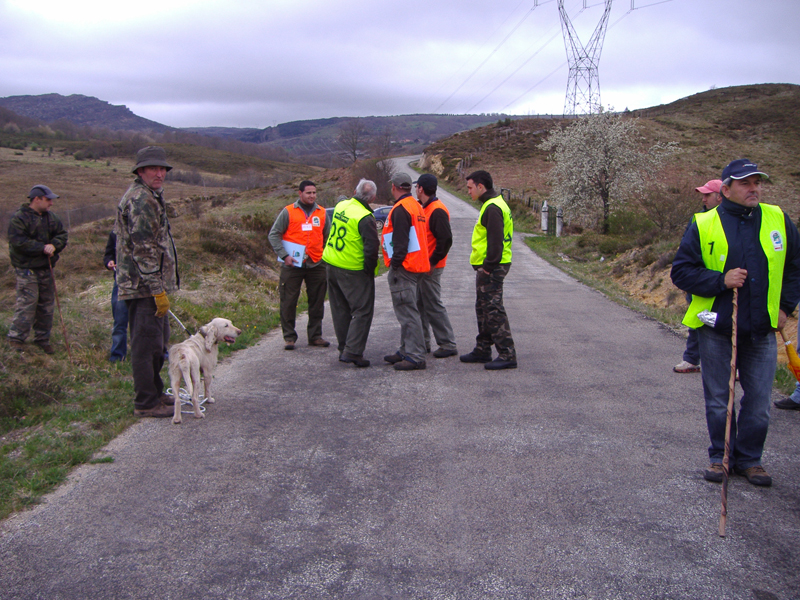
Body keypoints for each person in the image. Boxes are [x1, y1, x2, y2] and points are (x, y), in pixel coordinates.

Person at [671, 159, 800, 487]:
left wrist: (785, 307)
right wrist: (721, 280)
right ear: (726, 189)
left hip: (761, 330)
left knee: (758, 402)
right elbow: (681, 272)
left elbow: (795, 267)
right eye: (746, 183)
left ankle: (750, 460)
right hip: (716, 328)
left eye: (757, 182)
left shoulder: (778, 219)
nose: (754, 188)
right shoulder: (703, 224)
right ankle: (721, 457)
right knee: (719, 398)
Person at [115, 146, 179, 418]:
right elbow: (143, 249)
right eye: (153, 168)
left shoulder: (151, 195)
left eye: (162, 168)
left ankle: (156, 393)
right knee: (145, 344)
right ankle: (145, 402)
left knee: (157, 341)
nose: (159, 173)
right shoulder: (141, 199)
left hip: (150, 284)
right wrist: (156, 289)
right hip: (143, 286)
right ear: (140, 171)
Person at [460, 170, 517, 370]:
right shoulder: (494, 204)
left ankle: (507, 354)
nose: (468, 192)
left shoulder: (492, 207)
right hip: (491, 265)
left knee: (493, 309)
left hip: (493, 266)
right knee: (483, 308)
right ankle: (483, 349)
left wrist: (487, 268)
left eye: (470, 188)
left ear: (481, 187)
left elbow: (495, 242)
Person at [322, 179, 380, 368]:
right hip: (352, 268)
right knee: (362, 310)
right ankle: (353, 351)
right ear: (373, 198)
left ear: (355, 191)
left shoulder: (341, 206)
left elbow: (341, 202)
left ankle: (343, 348)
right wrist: (370, 272)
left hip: (331, 262)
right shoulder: (365, 217)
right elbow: (371, 250)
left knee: (340, 310)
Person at [268, 180, 331, 350]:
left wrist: (324, 256)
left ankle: (315, 336)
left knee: (317, 302)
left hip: (317, 264)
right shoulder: (288, 211)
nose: (312, 196)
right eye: (308, 193)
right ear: (300, 193)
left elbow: (328, 237)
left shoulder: (322, 213)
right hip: (292, 265)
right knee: (288, 301)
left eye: (314, 193)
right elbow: (274, 235)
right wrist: (284, 255)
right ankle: (289, 337)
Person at [7, 184, 68, 354]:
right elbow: (18, 242)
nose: (51, 203)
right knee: (27, 303)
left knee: (46, 305)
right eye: (48, 200)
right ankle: (16, 338)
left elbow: (62, 235)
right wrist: (42, 248)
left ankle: (42, 339)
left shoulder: (52, 218)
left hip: (46, 268)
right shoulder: (19, 219)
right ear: (36, 199)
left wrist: (54, 246)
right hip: (27, 269)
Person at [382, 172, 430, 371]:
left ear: (393, 186)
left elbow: (400, 243)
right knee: (408, 311)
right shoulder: (416, 206)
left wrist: (395, 266)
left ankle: (415, 355)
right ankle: (406, 349)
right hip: (415, 265)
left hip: (405, 267)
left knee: (407, 312)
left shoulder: (401, 209)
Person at [674, 179, 723, 374]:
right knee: (697, 319)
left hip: (726, 283)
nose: (703, 199)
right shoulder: (699, 219)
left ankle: (733, 365)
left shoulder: (734, 221)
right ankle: (691, 359)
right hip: (701, 281)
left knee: (730, 324)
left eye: (707, 195)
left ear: (721, 195)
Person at [414, 174, 457, 358]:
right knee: (421, 304)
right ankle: (423, 343)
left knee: (432, 304)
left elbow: (446, 240)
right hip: (424, 266)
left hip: (431, 267)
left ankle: (447, 343)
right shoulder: (427, 208)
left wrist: (432, 262)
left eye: (417, 187)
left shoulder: (437, 210)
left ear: (421, 189)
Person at [103, 231, 129, 362]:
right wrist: (109, 262)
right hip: (120, 282)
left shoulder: (143, 228)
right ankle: (118, 355)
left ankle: (156, 352)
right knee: (119, 320)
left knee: (145, 320)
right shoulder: (114, 233)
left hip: (142, 283)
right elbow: (108, 255)